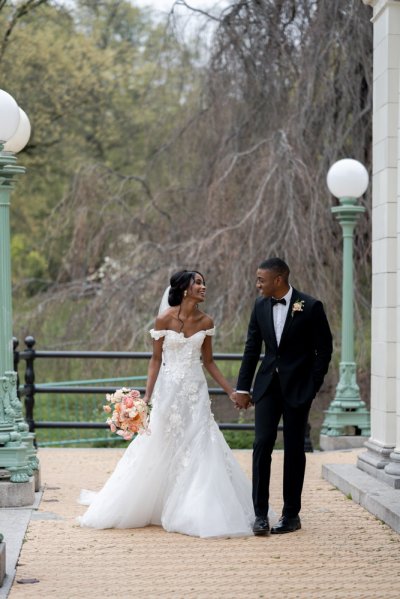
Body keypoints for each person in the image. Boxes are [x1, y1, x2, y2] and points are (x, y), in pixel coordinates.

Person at [78, 269, 255, 538]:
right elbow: (156, 360)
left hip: (195, 391)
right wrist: (147, 397)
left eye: (203, 282)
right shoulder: (163, 319)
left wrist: (231, 391)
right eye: (198, 282)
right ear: (185, 289)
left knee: (200, 441)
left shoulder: (207, 321)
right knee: (161, 440)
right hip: (168, 390)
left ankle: (196, 506)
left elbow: (208, 362)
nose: (203, 286)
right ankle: (151, 502)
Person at [231, 258, 332, 536]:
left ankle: (291, 515)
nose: (257, 284)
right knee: (262, 444)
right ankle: (260, 515)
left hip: (298, 389)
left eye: (261, 279)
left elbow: (324, 351)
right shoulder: (259, 305)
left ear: (278, 280)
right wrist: (243, 387)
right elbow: (252, 348)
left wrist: (312, 386)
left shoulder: (310, 306)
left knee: (294, 449)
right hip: (267, 388)